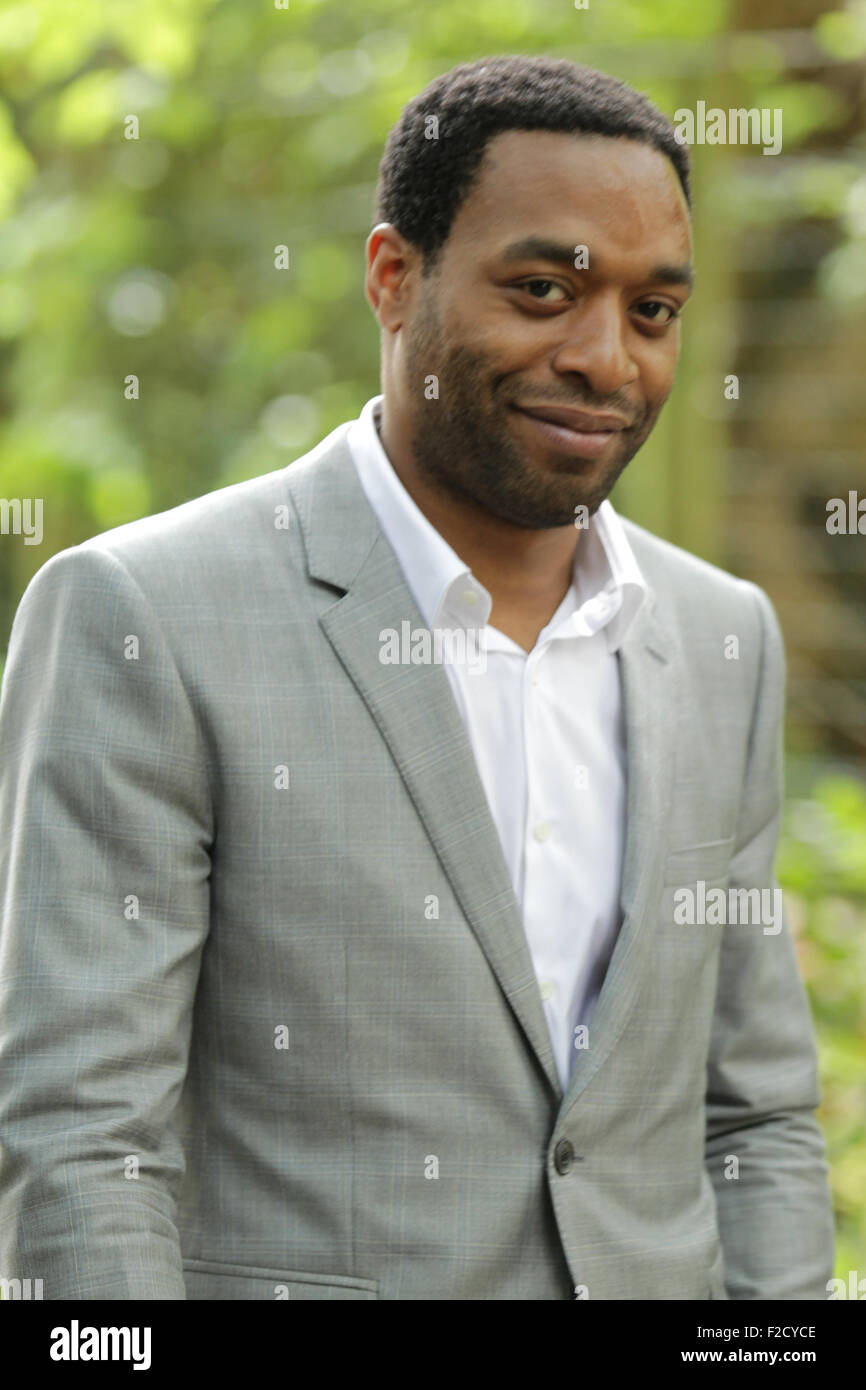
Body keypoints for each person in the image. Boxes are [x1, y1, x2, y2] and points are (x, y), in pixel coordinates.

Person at [0, 55, 834, 1300]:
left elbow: (751, 1116)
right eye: (543, 290)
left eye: (652, 312)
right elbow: (83, 1142)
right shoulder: (147, 617)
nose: (606, 358)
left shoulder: (722, 637)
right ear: (394, 279)